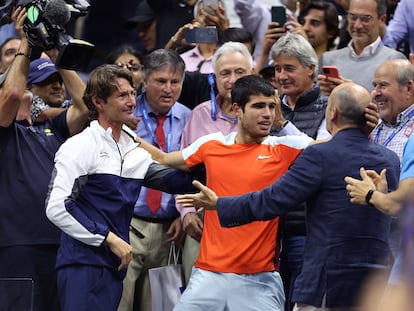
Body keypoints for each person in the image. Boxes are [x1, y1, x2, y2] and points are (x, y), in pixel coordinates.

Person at [177, 82, 401, 310]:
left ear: (332, 113)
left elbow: (271, 201)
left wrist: (220, 204)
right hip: (378, 283)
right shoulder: (390, 159)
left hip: (327, 282)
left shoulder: (321, 155)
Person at [138, 74, 313, 310]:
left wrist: (283, 124)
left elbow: (330, 149)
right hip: (208, 275)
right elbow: (161, 158)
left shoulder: (284, 147)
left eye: (272, 107)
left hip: (260, 279)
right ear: (236, 109)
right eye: (259, 106)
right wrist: (119, 130)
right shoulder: (212, 144)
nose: (268, 114)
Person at [45, 64, 194, 311]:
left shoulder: (132, 151)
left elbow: (175, 181)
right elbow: (57, 207)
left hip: (115, 264)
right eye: (121, 95)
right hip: (83, 263)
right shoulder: (80, 145)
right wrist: (107, 238)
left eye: (132, 93)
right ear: (98, 102)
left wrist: (218, 161)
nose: (132, 102)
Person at [0, 7, 89, 311]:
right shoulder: (5, 131)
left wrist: (56, 53)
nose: (55, 86)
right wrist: (27, 41)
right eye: (44, 80)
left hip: (62, 243)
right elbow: (11, 96)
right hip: (18, 245)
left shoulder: (50, 128)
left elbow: (88, 106)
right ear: (28, 86)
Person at [117, 49, 191, 311]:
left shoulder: (189, 117)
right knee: (119, 304)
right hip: (127, 226)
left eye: (175, 82)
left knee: (162, 307)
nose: (168, 89)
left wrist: (183, 212)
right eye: (160, 81)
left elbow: (191, 173)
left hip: (169, 234)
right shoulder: (123, 112)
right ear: (144, 81)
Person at [368, 59, 414, 257]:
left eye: (383, 85)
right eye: (374, 86)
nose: (375, 93)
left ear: (409, 89)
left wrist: (373, 196)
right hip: (372, 234)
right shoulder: (372, 124)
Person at [317, 0, 406, 95]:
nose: (357, 25)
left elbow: (398, 106)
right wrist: (319, 94)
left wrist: (352, 93)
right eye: (353, 17)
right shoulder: (328, 59)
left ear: (382, 20)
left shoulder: (395, 61)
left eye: (365, 19)